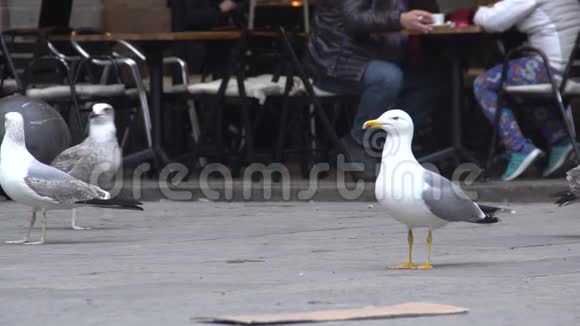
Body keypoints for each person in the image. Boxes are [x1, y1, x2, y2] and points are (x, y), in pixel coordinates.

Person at [306, 0, 446, 180]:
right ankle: (358, 143)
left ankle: (392, 145)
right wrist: (400, 19)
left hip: (380, 59)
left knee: (433, 76)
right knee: (388, 78)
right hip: (336, 63)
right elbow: (354, 18)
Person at [473, 0, 580, 181]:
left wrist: (479, 11)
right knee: (522, 88)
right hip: (572, 70)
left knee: (483, 84)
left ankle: (519, 148)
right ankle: (559, 140)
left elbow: (492, 21)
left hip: (550, 68)